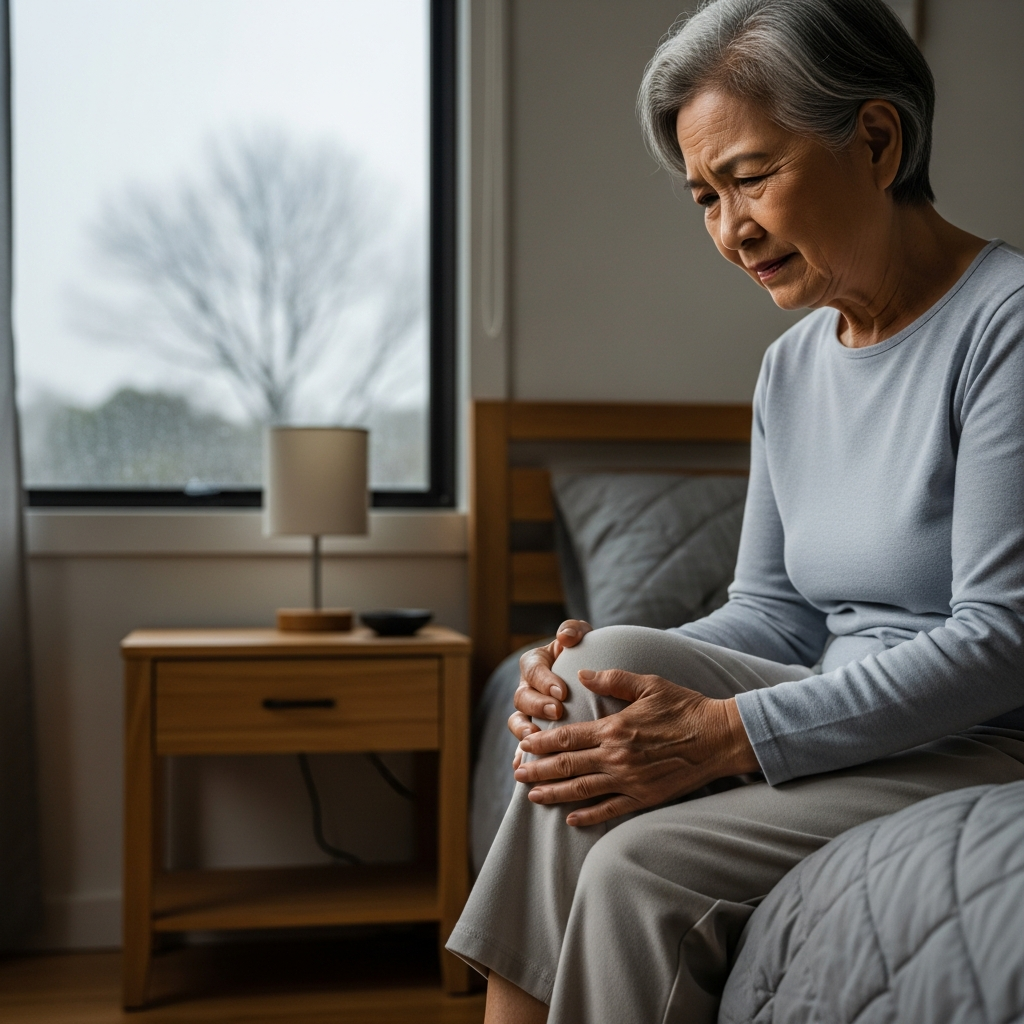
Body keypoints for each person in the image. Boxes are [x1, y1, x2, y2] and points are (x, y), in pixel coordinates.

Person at [447, 1, 1024, 1021]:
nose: (730, 230)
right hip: (829, 703)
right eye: (704, 198)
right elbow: (772, 615)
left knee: (633, 869)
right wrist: (594, 670)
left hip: (980, 733)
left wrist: (729, 732)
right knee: (587, 675)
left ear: (877, 140)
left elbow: (1001, 641)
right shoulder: (792, 367)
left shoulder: (1005, 327)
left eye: (750, 178)